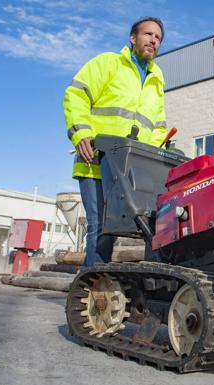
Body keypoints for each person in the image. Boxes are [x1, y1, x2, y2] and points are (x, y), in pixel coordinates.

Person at [63, 17, 167, 267]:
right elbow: (76, 94)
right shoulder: (108, 63)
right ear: (133, 38)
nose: (153, 40)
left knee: (147, 226)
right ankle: (91, 293)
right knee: (101, 226)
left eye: (158, 38)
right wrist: (81, 132)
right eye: (148, 34)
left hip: (131, 171)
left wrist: (154, 157)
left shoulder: (157, 78)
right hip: (97, 161)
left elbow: (158, 125)